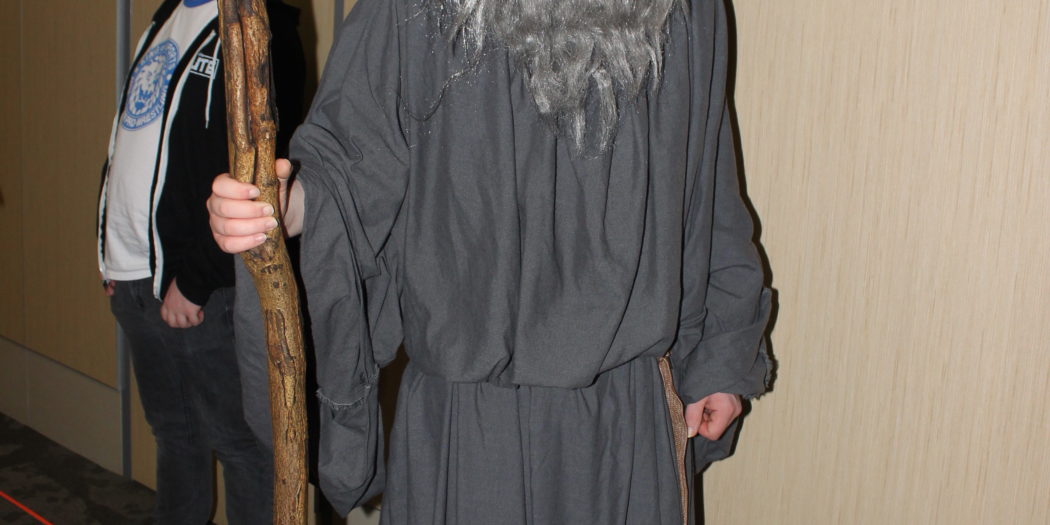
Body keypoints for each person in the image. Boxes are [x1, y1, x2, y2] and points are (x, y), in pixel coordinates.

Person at [209, 0, 771, 523]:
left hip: (626, 424)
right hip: (467, 429)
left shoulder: (680, 7)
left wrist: (719, 358)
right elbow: (347, 167)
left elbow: (707, 182)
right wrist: (283, 208)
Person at [96, 0, 305, 523]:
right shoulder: (168, 13)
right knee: (173, 434)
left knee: (243, 447)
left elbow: (258, 176)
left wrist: (195, 280)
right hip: (134, 275)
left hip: (203, 289)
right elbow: (131, 135)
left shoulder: (261, 22)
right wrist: (110, 251)